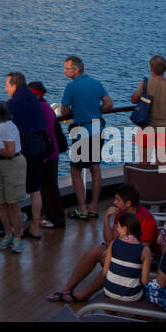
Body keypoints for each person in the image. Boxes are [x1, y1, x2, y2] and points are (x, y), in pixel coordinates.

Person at [48, 184, 157, 304]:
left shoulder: (147, 220)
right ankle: (67, 289)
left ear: (128, 203)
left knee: (111, 262)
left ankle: (85, 294)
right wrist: (106, 218)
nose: (114, 202)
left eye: (118, 200)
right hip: (123, 248)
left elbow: (142, 252)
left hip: (143, 258)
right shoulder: (121, 214)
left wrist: (112, 254)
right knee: (95, 252)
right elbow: (110, 241)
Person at [60, 55, 113, 218]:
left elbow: (64, 111)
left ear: (76, 70)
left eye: (67, 68)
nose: (64, 71)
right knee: (95, 168)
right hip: (97, 127)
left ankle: (82, 208)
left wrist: (73, 112)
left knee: (75, 170)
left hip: (81, 130)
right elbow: (109, 103)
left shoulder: (71, 87)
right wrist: (97, 111)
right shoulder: (96, 83)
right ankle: (94, 207)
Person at [6, 71, 48, 238]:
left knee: (15, 190)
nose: (5, 88)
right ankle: (35, 227)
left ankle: (17, 230)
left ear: (14, 86)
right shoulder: (34, 100)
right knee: (35, 189)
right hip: (39, 147)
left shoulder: (12, 103)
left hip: (22, 150)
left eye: (7, 85)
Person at [0, 100, 26, 252]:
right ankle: (9, 235)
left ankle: (17, 238)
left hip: (12, 164)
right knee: (2, 202)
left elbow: (10, 151)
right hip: (0, 164)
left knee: (13, 204)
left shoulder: (7, 127)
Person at [130, 54, 166, 165]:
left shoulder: (146, 83)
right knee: (163, 162)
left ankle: (145, 181)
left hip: (146, 126)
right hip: (165, 128)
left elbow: (134, 99)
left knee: (144, 161)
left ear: (151, 68)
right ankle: (162, 182)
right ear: (165, 69)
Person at [28, 80, 66, 228]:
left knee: (49, 188)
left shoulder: (40, 108)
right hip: (50, 152)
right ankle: (51, 217)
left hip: (46, 154)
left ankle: (55, 219)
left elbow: (44, 132)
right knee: (47, 187)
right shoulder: (45, 106)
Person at [100, 212, 151, 303]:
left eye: (118, 227)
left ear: (125, 229)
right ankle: (137, 316)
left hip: (109, 291)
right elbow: (145, 281)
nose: (117, 229)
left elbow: (104, 272)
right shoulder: (145, 251)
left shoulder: (113, 244)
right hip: (132, 296)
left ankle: (111, 314)